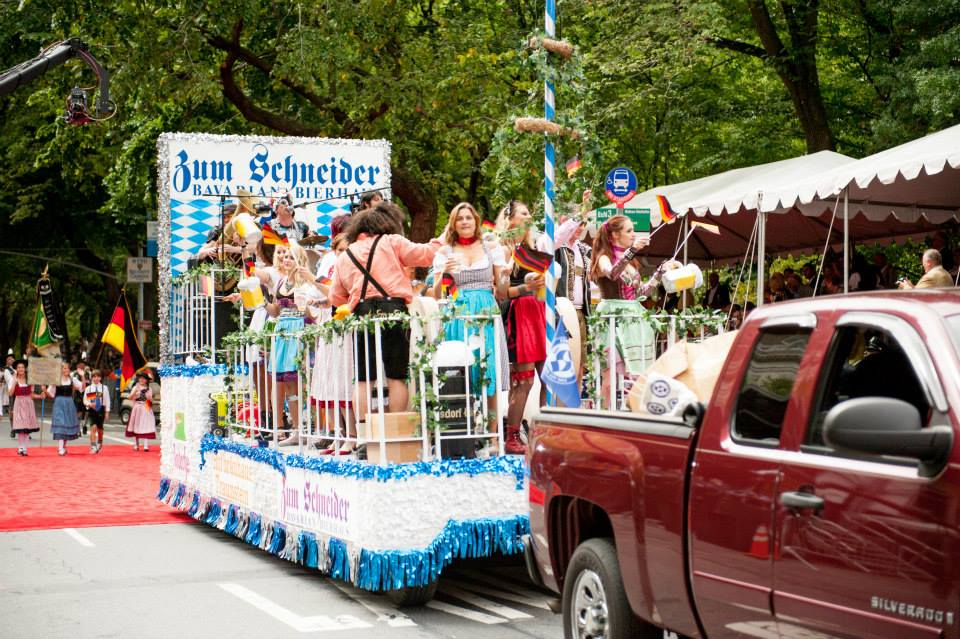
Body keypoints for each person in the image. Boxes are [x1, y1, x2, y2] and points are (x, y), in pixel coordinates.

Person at [329, 202, 443, 420]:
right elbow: (426, 254)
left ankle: (364, 435)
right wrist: (446, 237)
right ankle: (395, 428)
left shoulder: (346, 255)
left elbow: (335, 296)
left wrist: (354, 299)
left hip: (362, 313)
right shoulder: (392, 242)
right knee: (396, 375)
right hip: (394, 309)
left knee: (364, 377)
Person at [432, 202, 510, 417]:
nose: (464, 221)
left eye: (468, 217)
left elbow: (502, 291)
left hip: (486, 309)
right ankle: (465, 425)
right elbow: (438, 294)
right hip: (458, 311)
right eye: (460, 218)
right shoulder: (445, 251)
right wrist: (442, 274)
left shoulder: (490, 248)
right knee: (461, 366)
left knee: (489, 368)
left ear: (476, 221)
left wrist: (505, 275)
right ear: (453, 224)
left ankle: (493, 433)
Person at [495, 200, 548, 454]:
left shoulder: (533, 246)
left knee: (548, 376)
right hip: (519, 314)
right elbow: (502, 293)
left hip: (538, 311)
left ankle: (544, 431)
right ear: (511, 220)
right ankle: (512, 435)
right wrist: (524, 286)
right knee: (523, 380)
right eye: (524, 213)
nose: (529, 217)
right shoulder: (505, 249)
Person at [47, 362, 83, 456]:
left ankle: (63, 446)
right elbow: (50, 393)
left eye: (67, 368)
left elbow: (82, 388)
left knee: (67, 424)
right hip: (59, 403)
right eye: (64, 368)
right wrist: (45, 391)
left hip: (69, 403)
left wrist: (83, 377)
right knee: (61, 423)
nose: (66, 370)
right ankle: (60, 448)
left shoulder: (72, 379)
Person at [8, 360, 42, 455]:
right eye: (18, 368)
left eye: (22, 367)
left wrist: (40, 396)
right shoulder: (13, 379)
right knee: (20, 426)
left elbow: (31, 395)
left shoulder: (30, 380)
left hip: (28, 403)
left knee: (26, 428)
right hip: (18, 403)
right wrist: (14, 380)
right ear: (16, 369)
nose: (21, 369)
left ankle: (25, 448)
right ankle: (20, 447)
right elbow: (10, 393)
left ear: (25, 368)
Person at [125, 372, 156, 451]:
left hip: (146, 407)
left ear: (146, 380)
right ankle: (136, 444)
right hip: (137, 407)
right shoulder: (135, 387)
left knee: (146, 425)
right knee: (136, 424)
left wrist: (149, 407)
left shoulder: (149, 389)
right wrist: (135, 392)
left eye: (144, 378)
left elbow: (150, 400)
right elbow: (129, 397)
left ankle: (146, 445)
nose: (141, 380)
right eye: (140, 378)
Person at [84, 369, 111, 453]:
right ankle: (93, 446)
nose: (96, 378)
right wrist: (89, 404)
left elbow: (107, 401)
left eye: (98, 376)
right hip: (92, 410)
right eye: (94, 376)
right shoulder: (88, 388)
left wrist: (107, 412)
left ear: (100, 378)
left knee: (100, 430)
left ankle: (100, 442)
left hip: (101, 410)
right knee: (93, 427)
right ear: (92, 378)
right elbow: (85, 400)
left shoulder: (104, 388)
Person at [71, 359, 91, 434]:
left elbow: (89, 385)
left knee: (87, 412)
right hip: (78, 395)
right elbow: (73, 385)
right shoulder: (74, 374)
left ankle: (84, 425)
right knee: (78, 412)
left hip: (88, 393)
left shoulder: (88, 374)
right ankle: (78, 429)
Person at [1, 353, 13, 435]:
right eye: (9, 359)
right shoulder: (4, 369)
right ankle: (13, 429)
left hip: (14, 392)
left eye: (12, 358)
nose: (11, 360)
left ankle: (22, 430)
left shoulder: (16, 369)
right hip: (6, 393)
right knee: (11, 411)